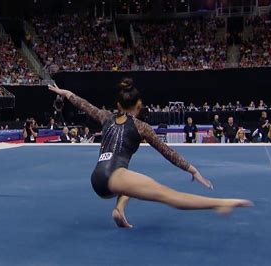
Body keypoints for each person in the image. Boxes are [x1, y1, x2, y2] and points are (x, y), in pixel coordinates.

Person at [48, 78, 252, 228]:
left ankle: (119, 210)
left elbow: (82, 103)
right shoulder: (141, 127)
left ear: (118, 105)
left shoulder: (105, 117)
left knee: (131, 180)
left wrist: (65, 93)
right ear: (139, 105)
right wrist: (192, 170)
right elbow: (167, 151)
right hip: (114, 177)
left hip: (98, 176)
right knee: (167, 194)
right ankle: (220, 204)